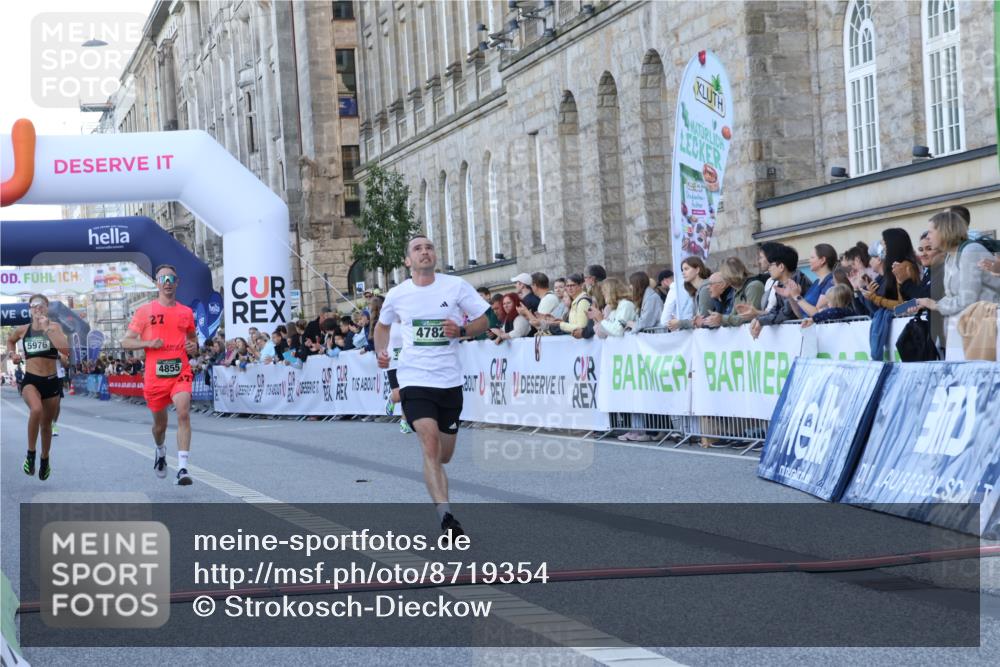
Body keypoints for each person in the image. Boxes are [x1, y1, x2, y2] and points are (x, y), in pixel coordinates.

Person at [374, 236, 490, 536]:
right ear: (407, 261)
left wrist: (462, 330)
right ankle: (446, 517)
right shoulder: (397, 294)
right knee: (430, 444)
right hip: (414, 379)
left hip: (449, 381)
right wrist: (381, 353)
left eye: (429, 247)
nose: (425, 252)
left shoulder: (455, 286)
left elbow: (485, 319)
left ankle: (436, 478)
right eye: (417, 249)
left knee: (444, 455)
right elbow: (382, 326)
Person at [121, 265, 199, 485]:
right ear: (157, 283)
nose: (167, 282)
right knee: (160, 426)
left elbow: (193, 340)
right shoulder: (144, 311)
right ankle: (160, 450)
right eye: (163, 278)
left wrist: (193, 347)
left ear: (177, 283)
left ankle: (182, 468)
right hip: (155, 378)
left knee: (183, 412)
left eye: (171, 278)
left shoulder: (186, 312)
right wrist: (147, 343)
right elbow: (125, 341)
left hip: (180, 371)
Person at [6, 294, 70, 480]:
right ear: (30, 309)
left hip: (51, 380)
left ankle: (45, 459)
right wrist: (12, 354)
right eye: (34, 305)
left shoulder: (54, 327)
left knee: (46, 426)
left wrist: (47, 329)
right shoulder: (23, 330)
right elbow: (10, 341)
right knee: (36, 410)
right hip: (31, 380)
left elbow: (65, 350)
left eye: (41, 305)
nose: (38, 308)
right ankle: (31, 454)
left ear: (47, 308)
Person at [916, 210, 1000, 329]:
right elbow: (951, 296)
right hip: (974, 324)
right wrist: (927, 303)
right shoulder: (950, 255)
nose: (927, 236)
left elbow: (967, 300)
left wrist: (935, 305)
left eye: (930, 232)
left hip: (989, 325)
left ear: (944, 231)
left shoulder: (970, 251)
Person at [751, 244, 812, 338]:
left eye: (771, 265)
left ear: (781, 267)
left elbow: (787, 313)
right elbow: (775, 310)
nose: (769, 268)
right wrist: (759, 319)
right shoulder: (780, 283)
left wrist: (761, 320)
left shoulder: (796, 281)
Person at [783, 244, 838, 318]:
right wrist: (791, 296)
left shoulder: (831, 282)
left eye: (812, 257)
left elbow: (818, 314)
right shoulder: (816, 282)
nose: (809, 260)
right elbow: (801, 315)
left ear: (822, 260)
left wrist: (797, 296)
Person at [661, 256, 711, 331]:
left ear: (697, 270)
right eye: (682, 270)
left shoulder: (704, 289)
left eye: (686, 269)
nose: (683, 273)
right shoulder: (697, 290)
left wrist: (679, 323)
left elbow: (702, 321)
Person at [712, 257, 764, 327]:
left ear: (729, 275)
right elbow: (733, 316)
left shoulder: (753, 286)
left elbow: (749, 316)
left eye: (723, 274)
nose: (723, 277)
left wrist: (722, 318)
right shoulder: (737, 289)